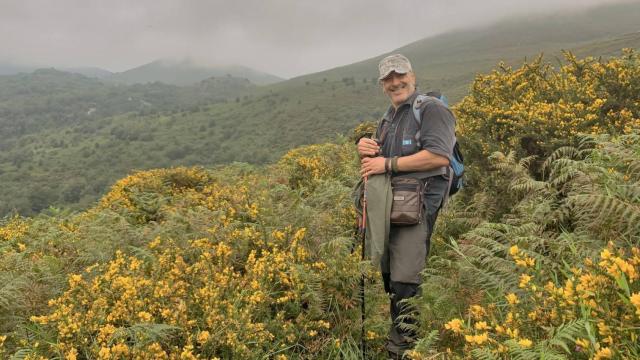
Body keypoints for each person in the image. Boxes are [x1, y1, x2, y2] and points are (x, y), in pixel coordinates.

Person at [357, 54, 456, 358]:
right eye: (388, 78)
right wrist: (365, 146)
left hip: (419, 207)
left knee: (405, 278)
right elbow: (376, 165)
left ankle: (403, 348)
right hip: (392, 207)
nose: (395, 82)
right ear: (382, 84)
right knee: (391, 274)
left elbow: (439, 156)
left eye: (400, 76)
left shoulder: (431, 109)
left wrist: (386, 162)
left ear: (412, 76)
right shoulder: (388, 117)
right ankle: (400, 336)